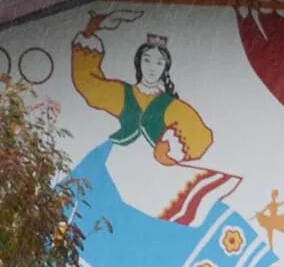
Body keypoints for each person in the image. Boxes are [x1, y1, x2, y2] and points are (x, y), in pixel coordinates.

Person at [71, 12, 213, 166]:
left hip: (156, 176)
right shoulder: (122, 94)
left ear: (165, 68)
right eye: (147, 60)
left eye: (159, 63)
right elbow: (87, 83)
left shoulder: (171, 105)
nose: (152, 68)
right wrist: (92, 29)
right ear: (138, 62)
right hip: (120, 163)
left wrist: (170, 150)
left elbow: (201, 137)